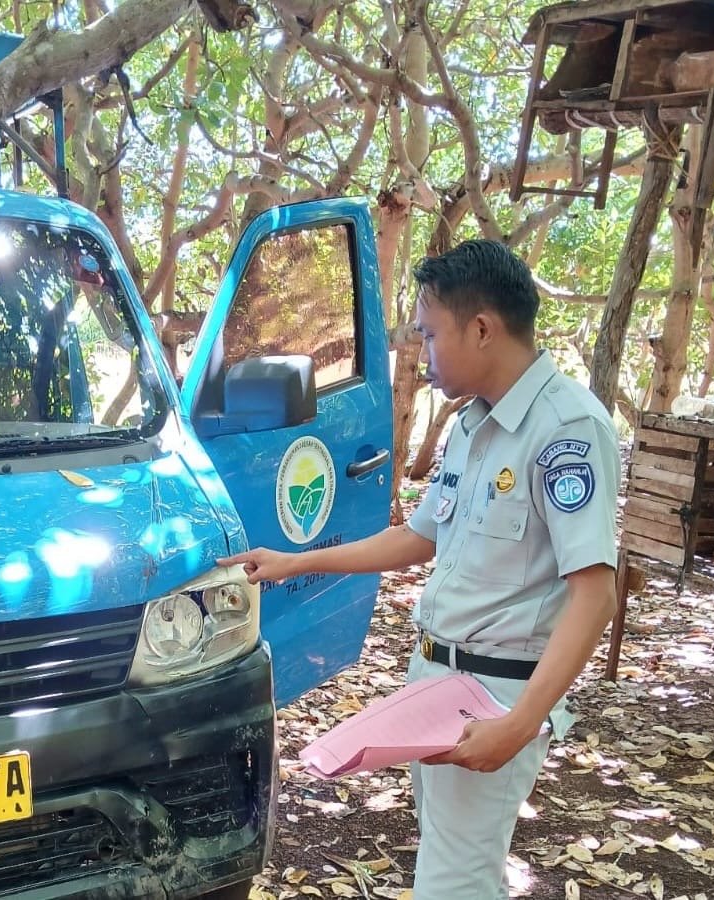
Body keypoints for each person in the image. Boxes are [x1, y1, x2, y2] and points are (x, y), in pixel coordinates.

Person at [219, 239, 621, 899]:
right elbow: (417, 537)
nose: (422, 353)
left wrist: (519, 725)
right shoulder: (471, 427)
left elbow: (594, 596)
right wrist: (296, 561)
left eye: (431, 334)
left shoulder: (567, 429)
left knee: (452, 881)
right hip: (437, 681)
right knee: (453, 863)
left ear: (483, 328)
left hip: (496, 697)